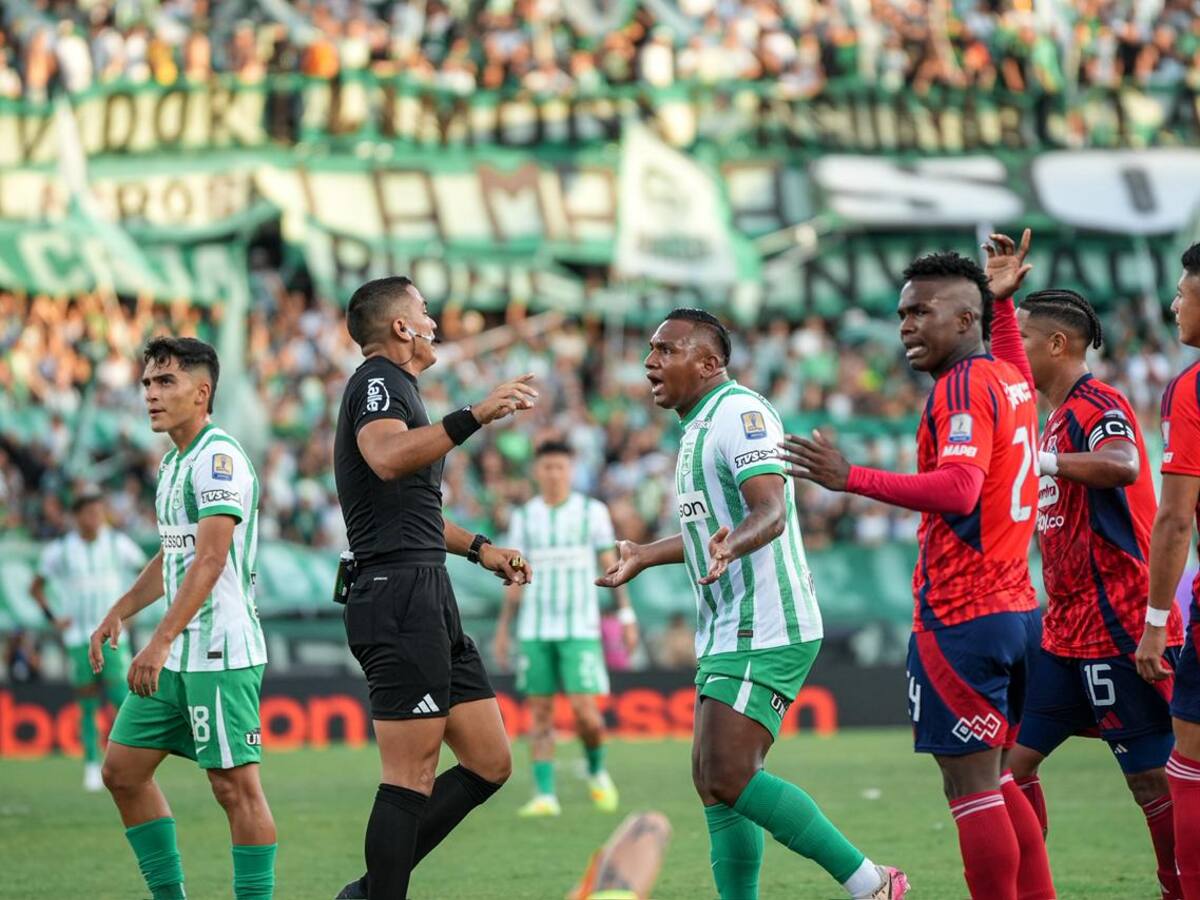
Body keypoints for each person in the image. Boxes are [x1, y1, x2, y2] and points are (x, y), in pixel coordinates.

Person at [596, 308, 906, 900]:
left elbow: (771, 509)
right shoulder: (696, 427)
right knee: (714, 783)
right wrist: (645, 554)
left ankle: (872, 883)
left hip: (767, 621)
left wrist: (732, 545)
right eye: (651, 350)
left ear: (709, 362)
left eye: (666, 350)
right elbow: (709, 530)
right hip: (729, 625)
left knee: (729, 773)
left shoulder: (740, 413)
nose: (650, 361)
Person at [779, 236, 1054, 900]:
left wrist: (851, 477)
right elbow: (1013, 363)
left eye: (921, 312)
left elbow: (959, 489)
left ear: (963, 320)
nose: (906, 326)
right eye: (903, 313)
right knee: (1000, 777)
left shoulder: (961, 387)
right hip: (1018, 610)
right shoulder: (1006, 377)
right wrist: (1004, 304)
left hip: (962, 616)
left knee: (971, 787)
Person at [331, 276, 537, 900]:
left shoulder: (402, 390)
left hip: (426, 587)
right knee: (410, 774)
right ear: (401, 327)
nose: (433, 321)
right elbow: (387, 457)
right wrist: (475, 414)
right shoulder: (377, 381)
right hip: (397, 593)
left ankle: (367, 892)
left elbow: (413, 509)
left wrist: (480, 549)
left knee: (489, 761)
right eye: (423, 310)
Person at [1008, 287, 1183, 898]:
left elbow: (1123, 462)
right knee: (1005, 768)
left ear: (1058, 344)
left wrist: (1043, 463)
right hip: (1064, 631)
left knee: (1151, 780)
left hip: (1118, 624)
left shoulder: (1097, 403)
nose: (1013, 351)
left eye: (1022, 339)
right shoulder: (1054, 417)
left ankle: (1178, 886)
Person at [90, 336, 277, 900]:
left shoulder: (219, 460)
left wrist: (160, 640)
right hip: (175, 655)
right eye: (148, 381)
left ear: (202, 392)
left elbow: (211, 559)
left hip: (218, 651)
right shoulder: (174, 462)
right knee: (122, 772)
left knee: (234, 789)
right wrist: (121, 610)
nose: (151, 392)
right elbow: (176, 552)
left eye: (166, 381)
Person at [492, 438, 638, 818]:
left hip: (580, 627)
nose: (554, 473)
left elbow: (611, 566)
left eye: (560, 466)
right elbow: (514, 576)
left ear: (570, 470)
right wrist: (504, 629)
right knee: (539, 713)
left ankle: (596, 769)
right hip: (535, 629)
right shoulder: (524, 517)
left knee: (585, 713)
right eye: (547, 467)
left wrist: (626, 616)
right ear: (536, 471)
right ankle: (545, 795)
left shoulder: (592, 512)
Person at [1136, 241, 1200, 900]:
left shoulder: (1191, 388)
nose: (1175, 305)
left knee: (1189, 760)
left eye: (1184, 293)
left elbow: (1176, 519)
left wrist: (1156, 622)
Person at [31, 488, 147, 791]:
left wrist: (130, 615)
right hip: (78, 638)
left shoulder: (117, 543)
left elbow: (147, 573)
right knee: (87, 704)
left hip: (113, 638)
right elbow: (36, 587)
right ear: (76, 516)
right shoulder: (60, 550)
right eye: (89, 513)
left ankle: (130, 762)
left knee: (123, 701)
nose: (96, 518)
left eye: (99, 512)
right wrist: (53, 618)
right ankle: (92, 766)